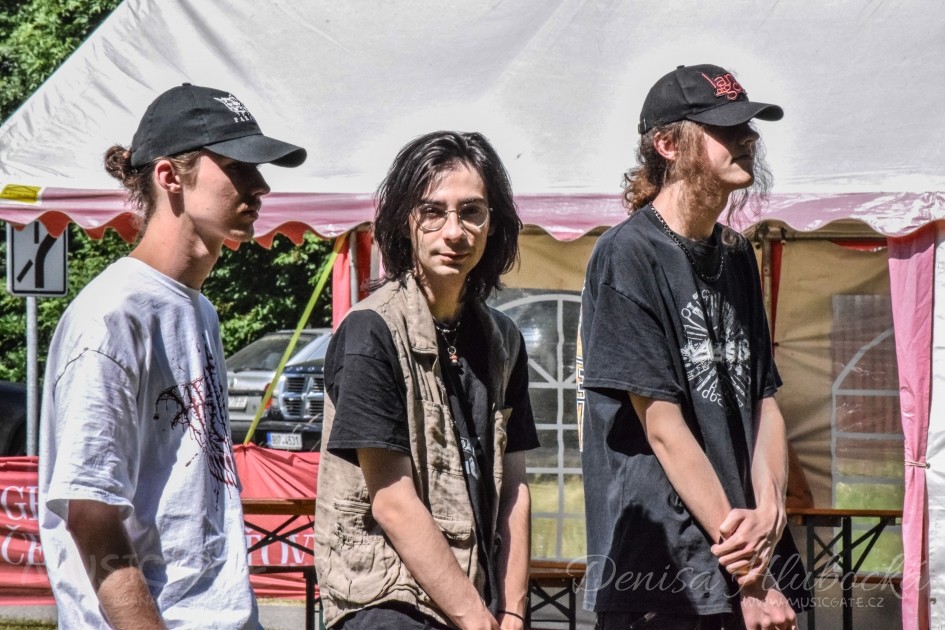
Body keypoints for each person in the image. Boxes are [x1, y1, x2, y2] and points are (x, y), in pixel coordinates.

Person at [38, 83, 306, 629]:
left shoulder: (197, 310)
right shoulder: (113, 316)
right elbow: (91, 515)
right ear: (169, 177)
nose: (260, 186)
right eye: (237, 166)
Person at [577, 64, 806, 629]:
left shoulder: (735, 253)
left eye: (748, 126)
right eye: (726, 127)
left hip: (747, 549)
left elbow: (764, 401)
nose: (747, 138)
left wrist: (771, 511)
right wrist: (752, 576)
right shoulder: (628, 253)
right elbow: (662, 426)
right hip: (666, 568)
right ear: (667, 144)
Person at [313, 131, 538, 630]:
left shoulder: (503, 340)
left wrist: (513, 611)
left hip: (476, 598)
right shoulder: (372, 329)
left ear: (493, 223)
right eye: (432, 212)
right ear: (405, 221)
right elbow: (392, 502)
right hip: (390, 600)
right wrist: (477, 619)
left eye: (471, 212)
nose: (454, 231)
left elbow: (515, 487)